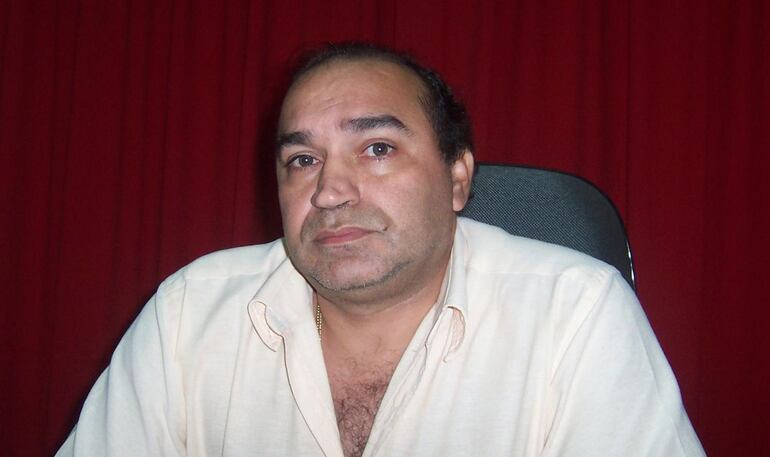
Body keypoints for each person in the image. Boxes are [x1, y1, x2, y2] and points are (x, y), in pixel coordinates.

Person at [57, 42, 705, 457]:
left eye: (377, 148)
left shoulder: (575, 312)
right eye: (302, 159)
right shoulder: (189, 313)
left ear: (458, 177)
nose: (330, 191)